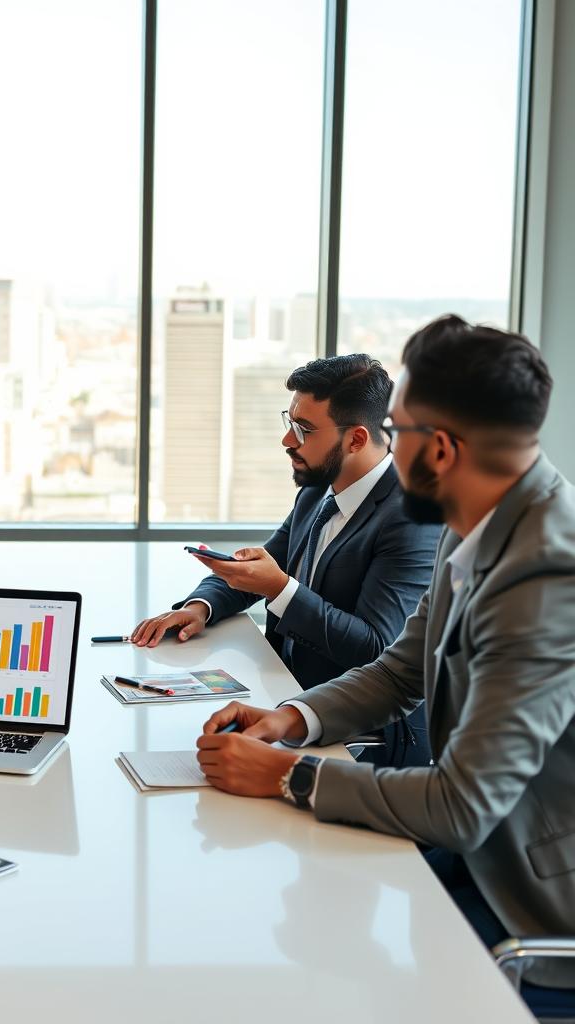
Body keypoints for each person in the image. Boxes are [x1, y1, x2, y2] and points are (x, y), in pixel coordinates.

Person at [195, 316, 575, 994]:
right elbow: (402, 667)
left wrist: (290, 777)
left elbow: (461, 806)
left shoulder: (545, 582)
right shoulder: (477, 522)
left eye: (396, 431)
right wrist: (289, 718)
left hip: (528, 905)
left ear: (442, 451)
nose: (386, 449)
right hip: (479, 856)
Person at [132, 353, 441, 766]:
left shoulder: (410, 517)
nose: (288, 440)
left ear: (356, 439)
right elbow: (263, 564)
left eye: (304, 429)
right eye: (290, 422)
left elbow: (377, 650)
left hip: (363, 739)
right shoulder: (318, 489)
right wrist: (200, 607)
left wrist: (278, 588)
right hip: (287, 698)